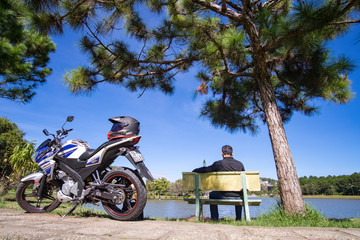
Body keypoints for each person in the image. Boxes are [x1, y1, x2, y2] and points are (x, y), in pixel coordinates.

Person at [192, 145, 245, 221]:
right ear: (232, 154)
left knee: (212, 194)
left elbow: (206, 169)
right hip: (237, 195)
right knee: (240, 193)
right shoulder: (240, 164)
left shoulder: (218, 164)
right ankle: (238, 219)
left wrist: (195, 170)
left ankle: (215, 218)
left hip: (222, 194)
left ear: (222, 153)